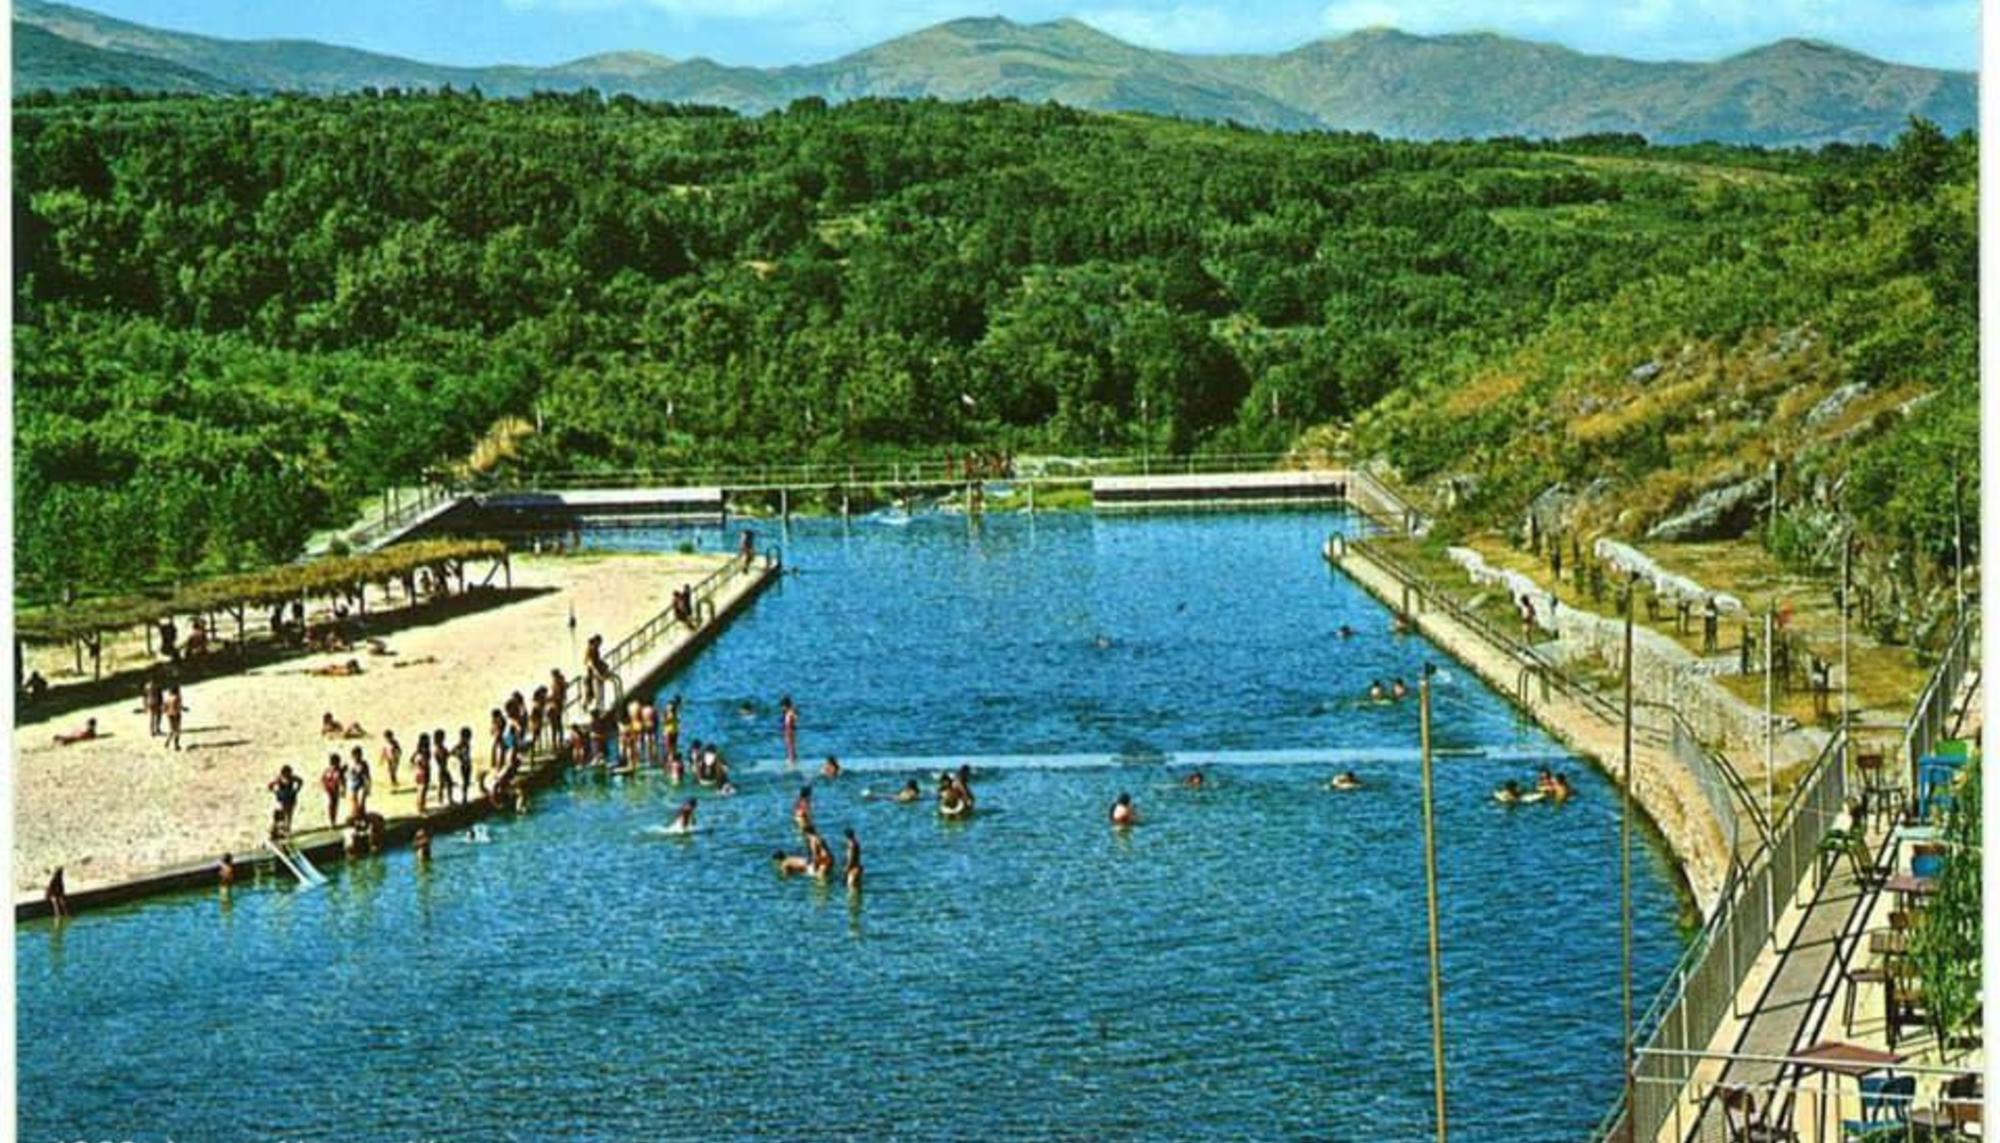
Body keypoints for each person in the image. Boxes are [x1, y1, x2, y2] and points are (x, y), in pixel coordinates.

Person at [269, 765, 303, 833]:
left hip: (291, 799)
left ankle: (287, 829)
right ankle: (280, 829)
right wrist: (276, 792)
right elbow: (270, 785)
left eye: (288, 773)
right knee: (281, 814)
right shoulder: (279, 779)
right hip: (282, 799)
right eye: (286, 773)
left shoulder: (292, 778)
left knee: (289, 815)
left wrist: (296, 790)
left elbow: (300, 781)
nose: (287, 774)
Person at [321, 754, 346, 827]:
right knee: (331, 804)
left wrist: (343, 789)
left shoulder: (338, 771)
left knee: (334, 805)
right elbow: (323, 779)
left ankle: (333, 821)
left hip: (335, 789)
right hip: (329, 789)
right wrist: (325, 787)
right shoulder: (328, 770)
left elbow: (342, 781)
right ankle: (332, 821)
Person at [347, 745, 371, 820]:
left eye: (359, 755)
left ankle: (362, 818)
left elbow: (367, 776)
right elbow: (346, 775)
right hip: (352, 786)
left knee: (361, 803)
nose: (357, 757)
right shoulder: (350, 764)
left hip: (361, 785)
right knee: (354, 805)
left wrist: (368, 788)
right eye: (355, 755)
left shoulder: (364, 764)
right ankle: (357, 819)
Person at [164, 685, 186, 751]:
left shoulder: (168, 698)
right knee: (178, 730)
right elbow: (179, 706)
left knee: (171, 729)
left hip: (169, 715)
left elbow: (164, 708)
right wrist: (184, 709)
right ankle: (176, 745)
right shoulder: (177, 698)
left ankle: (167, 741)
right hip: (177, 715)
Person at [781, 696, 800, 767]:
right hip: (789, 730)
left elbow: (796, 718)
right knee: (790, 746)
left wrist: (793, 712)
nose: (782, 708)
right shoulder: (789, 712)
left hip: (790, 730)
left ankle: (792, 760)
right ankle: (792, 758)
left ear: (786, 705)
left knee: (790, 746)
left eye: (783, 706)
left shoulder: (790, 712)